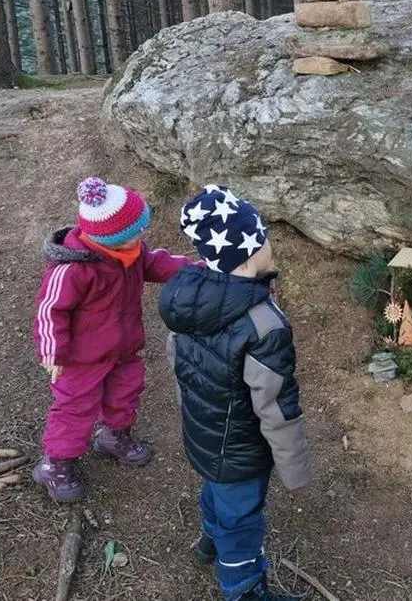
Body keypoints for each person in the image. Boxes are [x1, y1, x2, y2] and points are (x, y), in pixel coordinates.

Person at [160, 185, 311, 601]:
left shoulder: (186, 298)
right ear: (246, 256)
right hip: (241, 447)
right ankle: (243, 587)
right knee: (242, 518)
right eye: (264, 239)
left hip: (204, 434)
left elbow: (180, 367)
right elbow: (276, 404)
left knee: (215, 489)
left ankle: (210, 541)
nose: (270, 245)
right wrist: (295, 468)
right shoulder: (262, 324)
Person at [32, 177, 195, 502]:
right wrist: (52, 351)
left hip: (123, 348)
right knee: (75, 408)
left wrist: (192, 271)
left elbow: (156, 262)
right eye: (137, 229)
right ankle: (56, 463)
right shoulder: (73, 269)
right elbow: (51, 310)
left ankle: (114, 435)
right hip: (81, 358)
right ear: (111, 236)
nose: (142, 235)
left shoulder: (129, 251)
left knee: (126, 392)